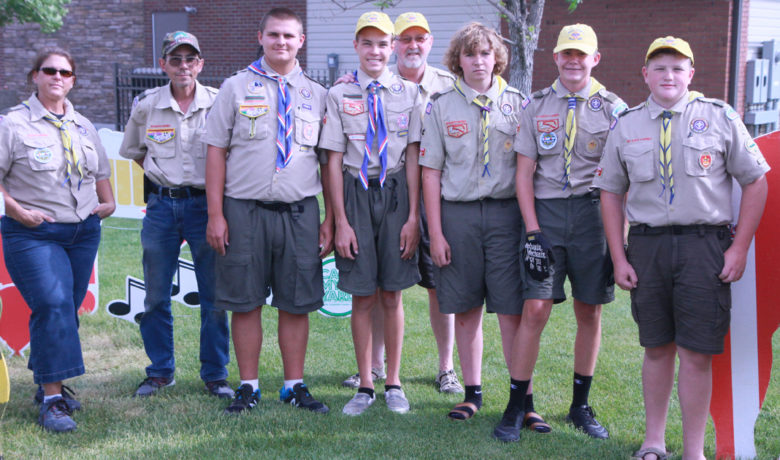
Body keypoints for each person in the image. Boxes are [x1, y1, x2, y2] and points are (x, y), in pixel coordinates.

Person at [595, 37, 769, 460]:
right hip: (649, 247)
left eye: (677, 68)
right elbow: (610, 193)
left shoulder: (720, 116)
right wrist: (619, 256)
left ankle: (694, 452)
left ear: (691, 73)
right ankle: (653, 442)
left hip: (704, 248)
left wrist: (739, 247)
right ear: (645, 75)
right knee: (656, 349)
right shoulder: (627, 124)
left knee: (695, 353)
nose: (668, 75)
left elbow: (756, 181)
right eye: (659, 68)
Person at [204, 7, 333, 415]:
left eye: (288, 36)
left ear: (301, 41)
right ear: (260, 37)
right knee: (245, 300)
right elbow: (215, 152)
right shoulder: (235, 88)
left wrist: (331, 217)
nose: (281, 42)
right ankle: (248, 385)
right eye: (273, 35)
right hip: (244, 210)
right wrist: (215, 214)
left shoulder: (317, 93)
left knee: (296, 301)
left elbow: (328, 161)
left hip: (299, 212)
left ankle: (294, 385)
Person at [502, 24, 624, 442]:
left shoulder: (613, 109)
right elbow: (523, 175)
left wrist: (618, 235)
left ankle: (580, 405)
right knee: (535, 310)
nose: (573, 61)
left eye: (581, 54)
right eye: (566, 54)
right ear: (555, 58)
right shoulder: (536, 106)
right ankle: (517, 406)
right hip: (547, 216)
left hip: (593, 216)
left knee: (590, 310)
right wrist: (533, 231)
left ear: (595, 59)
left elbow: (622, 178)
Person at [339, 11, 462, 395]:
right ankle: (374, 367)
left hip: (437, 195)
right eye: (404, 38)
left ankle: (446, 368)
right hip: (388, 191)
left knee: (438, 283)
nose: (412, 45)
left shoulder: (449, 85)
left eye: (419, 38)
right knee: (380, 281)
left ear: (429, 42)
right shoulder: (358, 86)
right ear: (395, 46)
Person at [0, 48, 115, 432]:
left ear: (73, 80)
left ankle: (45, 382)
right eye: (49, 71)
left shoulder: (83, 125)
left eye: (65, 72)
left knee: (65, 307)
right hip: (33, 231)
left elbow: (100, 168)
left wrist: (109, 201)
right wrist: (18, 212)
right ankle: (52, 401)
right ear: (35, 75)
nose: (57, 77)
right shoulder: (12, 124)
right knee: (51, 303)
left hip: (82, 232)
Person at [419, 21, 525, 427]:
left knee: (510, 310)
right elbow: (430, 172)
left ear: (496, 57)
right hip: (458, 215)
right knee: (466, 309)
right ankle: (472, 392)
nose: (478, 61)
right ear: (457, 60)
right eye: (470, 54)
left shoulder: (518, 103)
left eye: (485, 53)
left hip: (505, 215)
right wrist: (438, 232)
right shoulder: (442, 106)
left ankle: (520, 396)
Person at [320, 11, 422, 416]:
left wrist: (414, 216)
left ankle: (393, 381)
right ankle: (365, 383)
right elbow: (332, 161)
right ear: (356, 47)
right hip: (355, 193)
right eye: (368, 43)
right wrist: (340, 220)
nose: (376, 50)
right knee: (362, 295)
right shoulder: (339, 94)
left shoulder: (410, 94)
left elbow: (413, 156)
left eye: (383, 43)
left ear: (393, 46)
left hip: (395, 192)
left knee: (392, 294)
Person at [119, 31, 232, 399]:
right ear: (164, 64)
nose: (183, 66)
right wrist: (162, 179)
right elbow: (135, 150)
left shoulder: (218, 102)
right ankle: (160, 372)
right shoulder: (146, 105)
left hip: (206, 206)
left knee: (214, 297)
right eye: (175, 59)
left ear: (200, 64)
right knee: (154, 296)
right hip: (161, 208)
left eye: (190, 59)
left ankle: (215, 375)